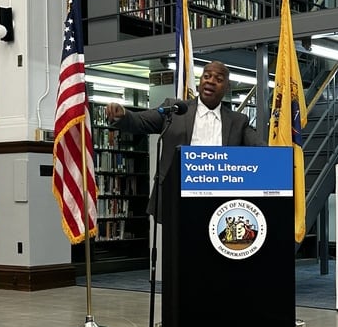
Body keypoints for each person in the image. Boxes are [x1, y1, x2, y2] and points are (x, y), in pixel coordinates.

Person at [105, 60, 266, 222]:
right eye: (207, 76)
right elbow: (140, 121)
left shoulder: (238, 121)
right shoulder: (174, 110)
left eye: (218, 79)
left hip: (220, 203)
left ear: (227, 87)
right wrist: (123, 114)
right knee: (177, 247)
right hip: (177, 197)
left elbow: (263, 151)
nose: (210, 81)